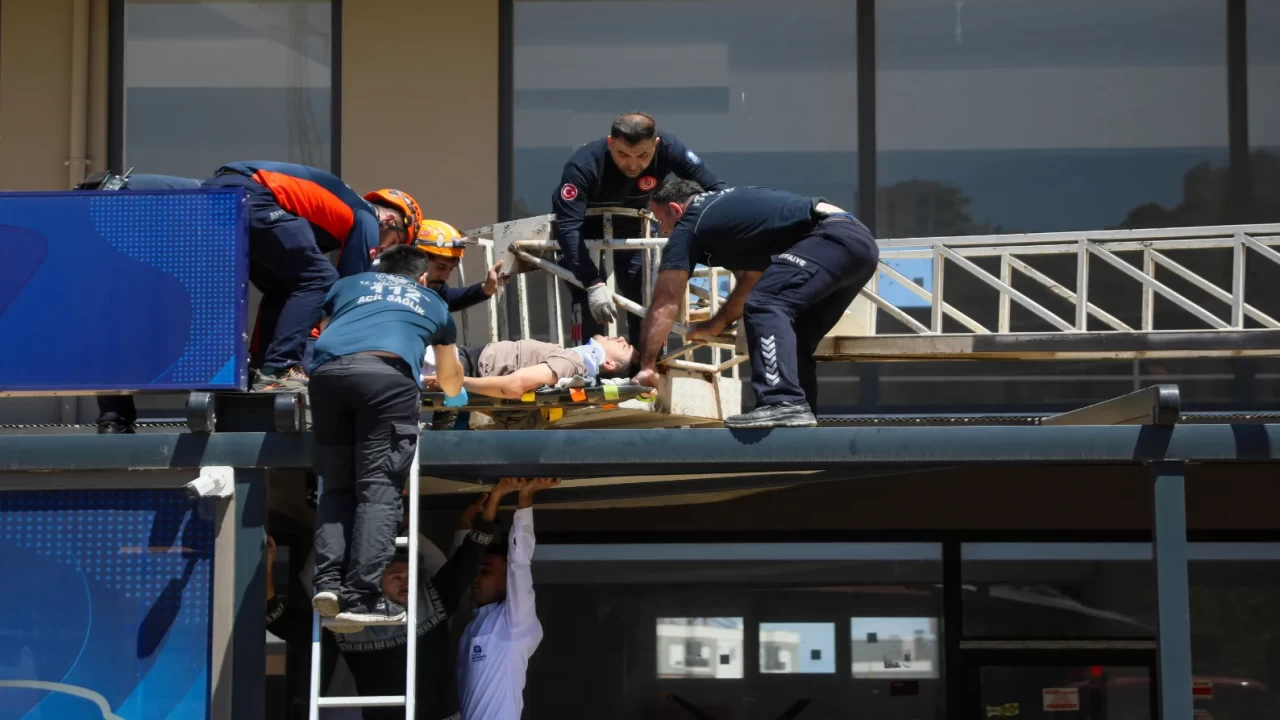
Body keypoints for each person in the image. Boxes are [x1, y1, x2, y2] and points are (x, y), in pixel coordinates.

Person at [635, 179, 879, 429]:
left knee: (766, 304)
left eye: (660, 220)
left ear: (675, 209)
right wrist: (717, 323)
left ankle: (781, 402)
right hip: (860, 244)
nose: (663, 231)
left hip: (830, 237)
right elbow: (751, 280)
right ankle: (799, 418)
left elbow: (665, 303)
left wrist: (647, 365)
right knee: (795, 333)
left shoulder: (689, 224)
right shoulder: (728, 211)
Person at [309, 244, 467, 626]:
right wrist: (453, 392)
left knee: (336, 487)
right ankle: (360, 599)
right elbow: (449, 378)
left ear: (380, 269)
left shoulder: (348, 285)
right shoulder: (433, 303)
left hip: (327, 377)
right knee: (378, 492)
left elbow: (327, 332)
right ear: (423, 277)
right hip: (387, 380)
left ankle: (328, 584)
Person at [265, 490, 500, 720]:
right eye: (396, 577)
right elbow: (284, 623)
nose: (406, 583)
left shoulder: (432, 601)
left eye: (409, 576)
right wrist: (266, 570)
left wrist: (496, 497)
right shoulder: (348, 624)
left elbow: (469, 556)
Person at [203, 161, 427, 392]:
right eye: (395, 242)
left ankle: (261, 367)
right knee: (320, 278)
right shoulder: (367, 217)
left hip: (218, 193)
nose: (383, 250)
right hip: (251, 191)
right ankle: (280, 368)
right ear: (390, 222)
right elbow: (348, 290)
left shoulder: (335, 210)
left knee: (285, 287)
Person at [552, 112, 723, 348]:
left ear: (656, 144)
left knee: (645, 297)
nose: (633, 164)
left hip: (633, 228)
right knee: (588, 301)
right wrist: (593, 283)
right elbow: (568, 226)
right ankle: (588, 365)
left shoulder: (669, 148)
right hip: (583, 233)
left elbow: (715, 190)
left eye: (643, 155)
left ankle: (648, 364)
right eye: (623, 154)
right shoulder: (583, 164)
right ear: (610, 142)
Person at [74, 171, 204, 434]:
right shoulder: (140, 198)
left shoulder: (135, 200)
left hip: (178, 276)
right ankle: (116, 419)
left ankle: (115, 419)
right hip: (172, 277)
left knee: (115, 342)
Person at [458, 477, 560, 720]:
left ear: (506, 581)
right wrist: (464, 526)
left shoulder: (514, 622)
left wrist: (525, 499)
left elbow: (519, 564)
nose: (476, 579)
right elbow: (457, 573)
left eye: (485, 572)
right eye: (477, 572)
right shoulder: (474, 622)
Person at [423, 335, 638, 400]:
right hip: (466, 364)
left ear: (608, 363)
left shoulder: (571, 363)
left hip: (464, 367)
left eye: (624, 347)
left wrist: (457, 381)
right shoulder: (571, 361)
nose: (621, 338)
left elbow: (514, 386)